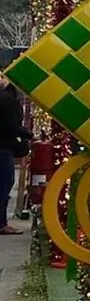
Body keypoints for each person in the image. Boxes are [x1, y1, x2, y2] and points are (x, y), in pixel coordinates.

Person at [0, 77, 30, 234]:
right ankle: (1, 224)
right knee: (4, 184)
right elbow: (12, 126)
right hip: (4, 148)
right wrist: (29, 135)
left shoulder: (5, 97)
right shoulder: (9, 100)